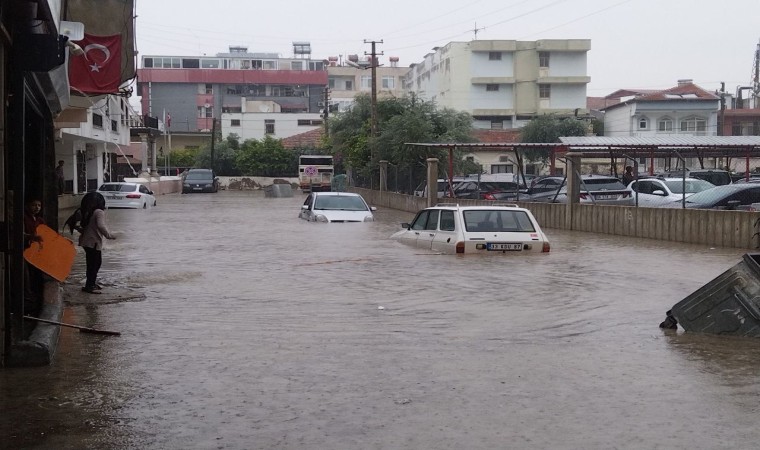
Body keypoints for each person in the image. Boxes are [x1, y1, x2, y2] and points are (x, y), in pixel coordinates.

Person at [77, 192, 116, 294]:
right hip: (93, 242)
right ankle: (90, 285)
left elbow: (85, 227)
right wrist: (109, 235)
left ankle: (90, 283)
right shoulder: (99, 212)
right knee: (95, 264)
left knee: (91, 263)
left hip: (86, 241)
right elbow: (101, 225)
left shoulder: (88, 212)